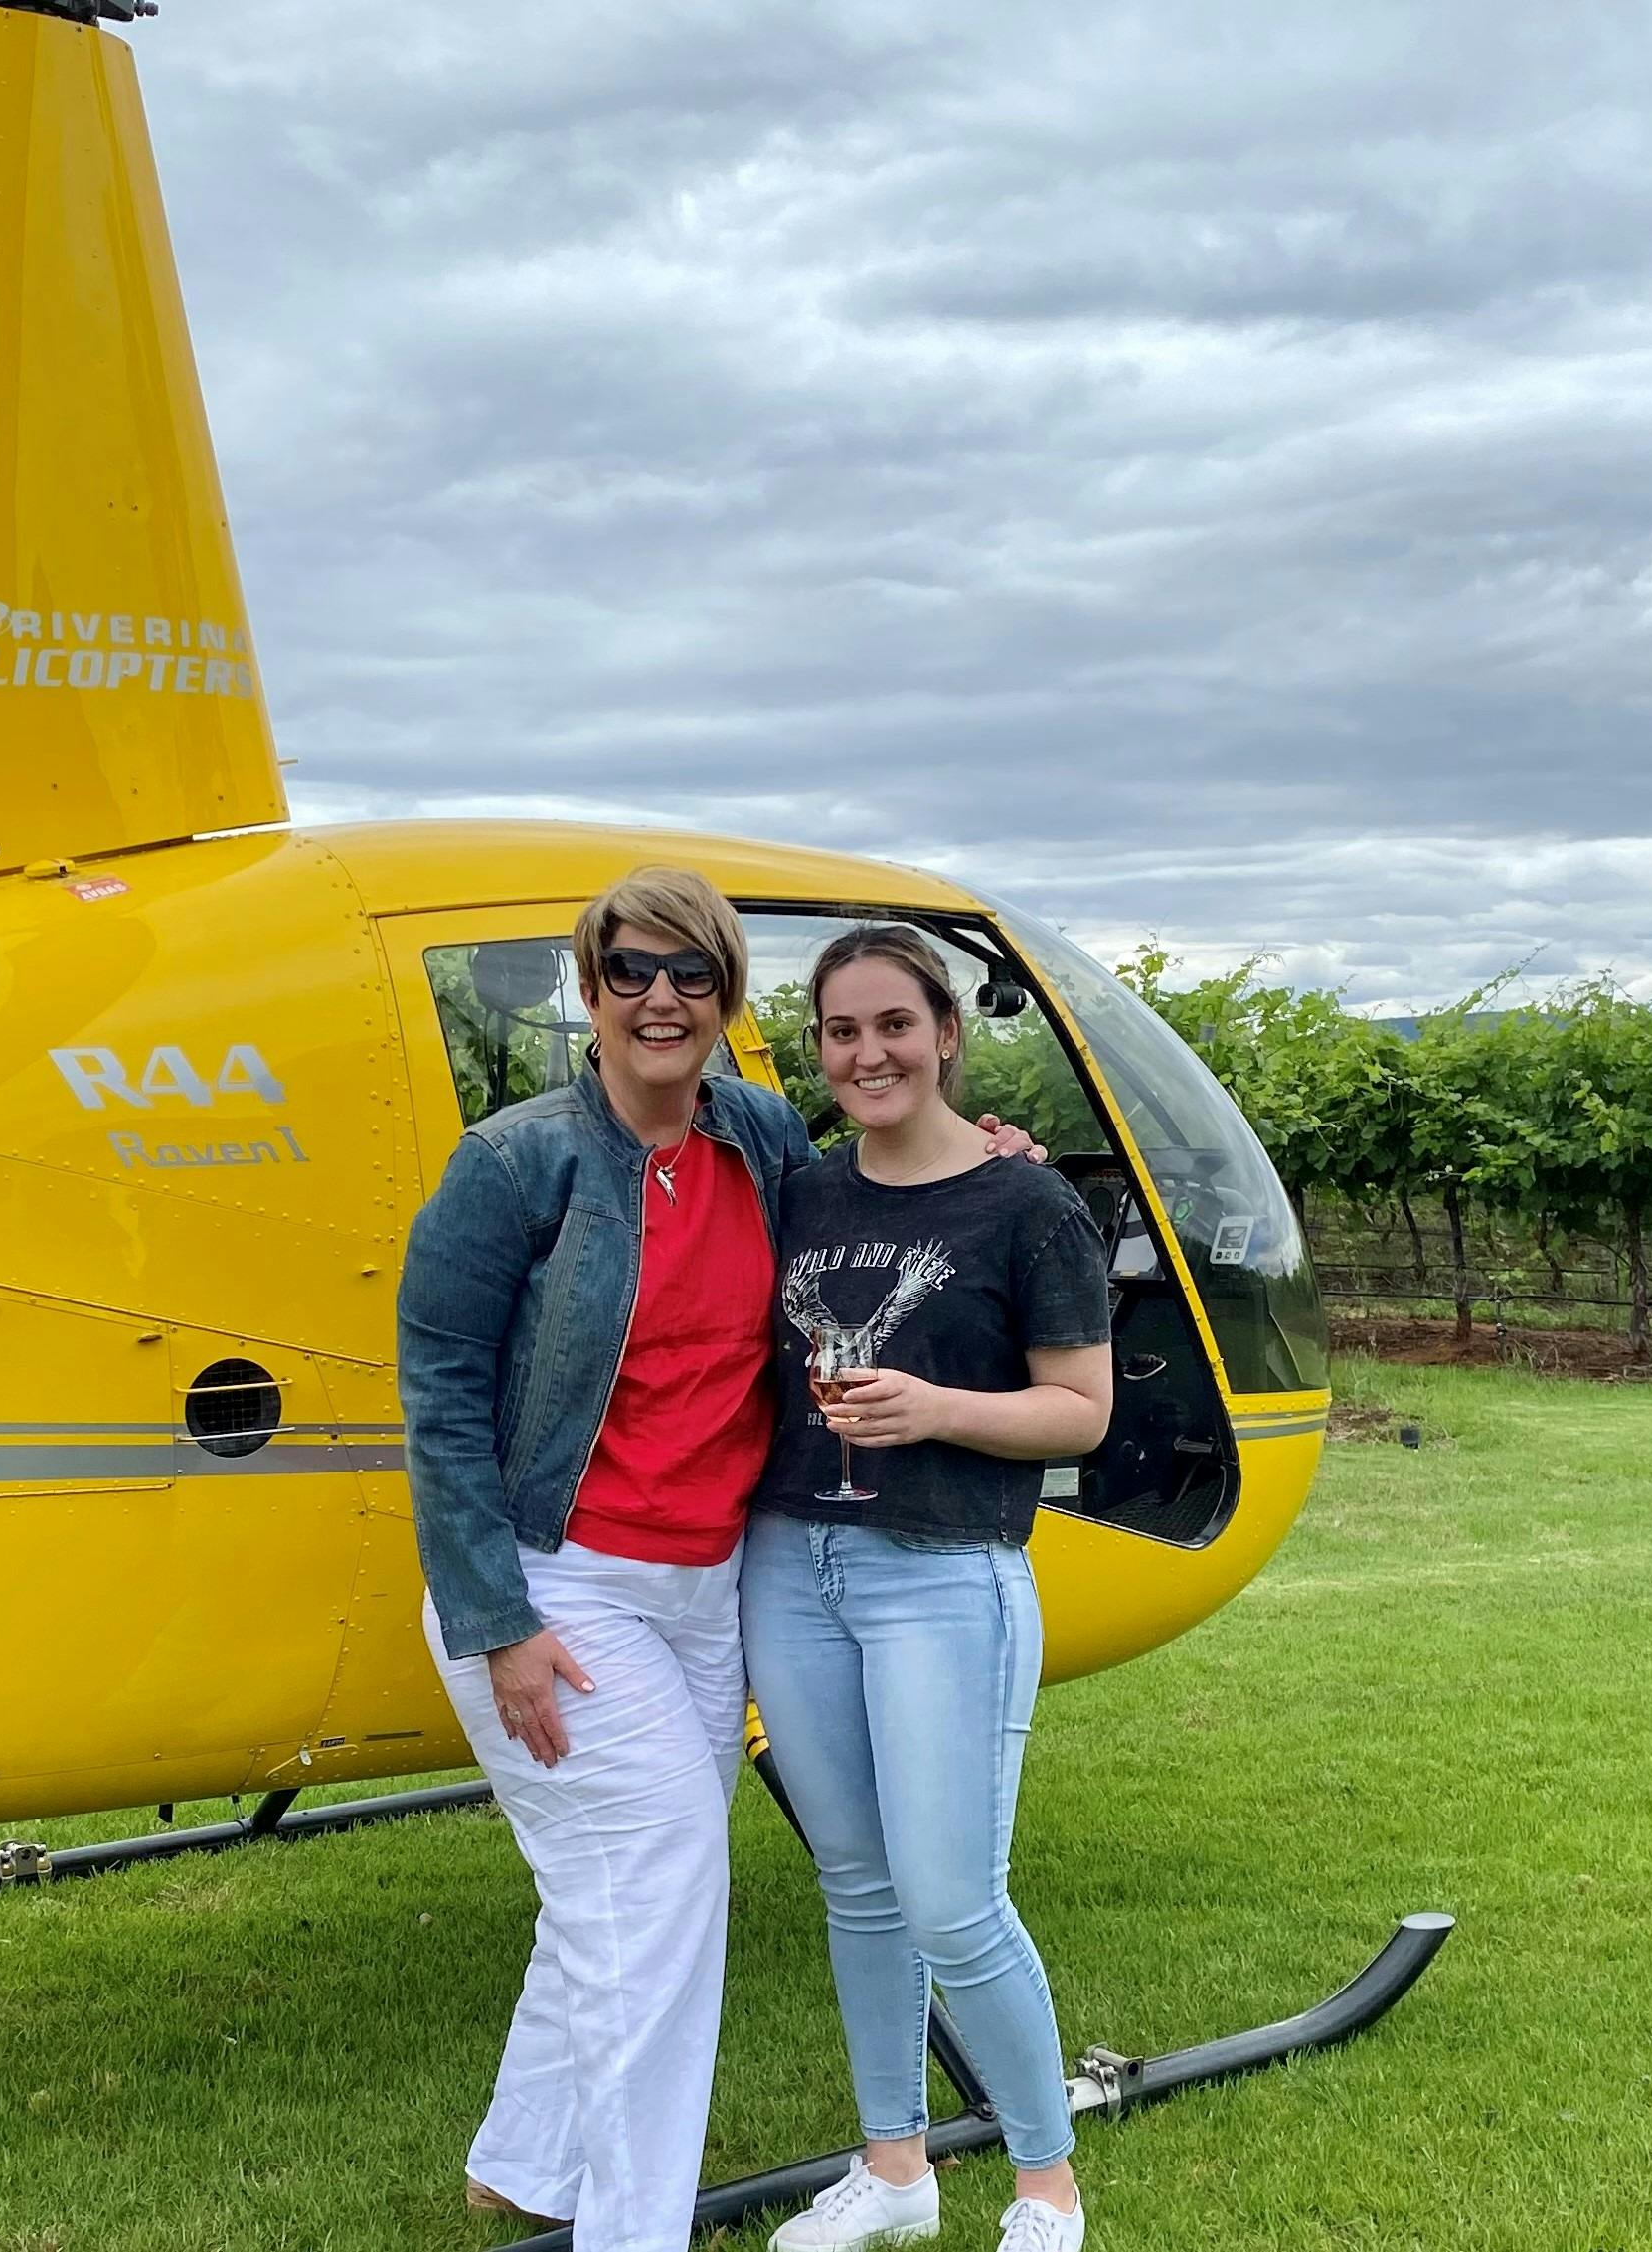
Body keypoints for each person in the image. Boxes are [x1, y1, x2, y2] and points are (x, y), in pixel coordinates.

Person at [398, 871, 1038, 2250]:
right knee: (668, 1887)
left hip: (706, 1586)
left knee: (615, 1888)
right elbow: (439, 1389)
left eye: (692, 974)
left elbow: (876, 1192)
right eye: (630, 970)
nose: (660, 999)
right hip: (554, 1577)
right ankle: (633, 2228)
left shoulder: (751, 1133)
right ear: (592, 984)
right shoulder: (514, 1163)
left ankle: (520, 2161)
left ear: (728, 996)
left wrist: (987, 1165)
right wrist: (496, 1619)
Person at [742, 924, 1114, 2252]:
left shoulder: (1028, 1208)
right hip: (792, 1557)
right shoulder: (800, 1190)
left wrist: (935, 1406)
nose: (867, 1052)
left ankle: (1045, 2186)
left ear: (947, 1033)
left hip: (946, 1573)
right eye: (841, 1031)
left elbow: (1079, 1412)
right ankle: (894, 2170)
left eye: (893, 1024)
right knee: (858, 1883)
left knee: (955, 1896)